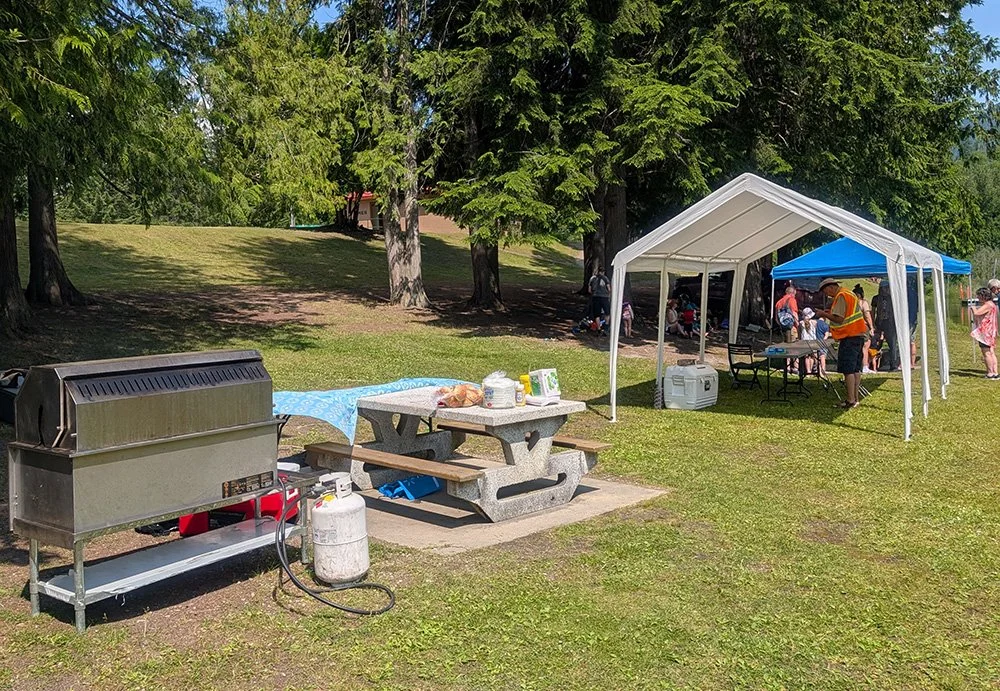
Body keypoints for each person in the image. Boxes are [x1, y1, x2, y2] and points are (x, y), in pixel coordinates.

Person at [814, 277, 868, 408]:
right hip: (859, 334)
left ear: (830, 287)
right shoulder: (850, 293)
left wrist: (823, 314)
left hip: (849, 336)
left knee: (848, 369)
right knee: (856, 369)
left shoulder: (840, 296)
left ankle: (850, 400)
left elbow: (839, 319)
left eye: (826, 292)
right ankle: (855, 398)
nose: (827, 295)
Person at [970, 286, 999, 379]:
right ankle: (995, 372)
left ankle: (990, 373)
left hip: (986, 332)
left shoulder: (988, 305)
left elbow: (977, 313)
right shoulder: (992, 304)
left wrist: (973, 308)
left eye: (978, 296)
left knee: (986, 352)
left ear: (983, 296)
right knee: (991, 352)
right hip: (991, 331)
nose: (978, 298)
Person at [871, 281, 898, 371]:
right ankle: (872, 364)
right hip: (879, 322)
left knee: (892, 344)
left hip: (890, 323)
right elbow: (873, 311)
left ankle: (893, 364)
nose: (886, 290)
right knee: (875, 343)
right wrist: (872, 323)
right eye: (884, 288)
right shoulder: (876, 298)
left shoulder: (893, 298)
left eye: (887, 288)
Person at [853, 284, 876, 374]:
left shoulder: (852, 304)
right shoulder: (863, 303)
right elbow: (867, 316)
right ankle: (865, 366)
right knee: (865, 346)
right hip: (863, 326)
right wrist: (871, 327)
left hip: (853, 327)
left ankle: (858, 365)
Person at [799, 307, 818, 374]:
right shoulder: (814, 322)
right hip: (813, 341)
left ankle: (808, 370)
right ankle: (812, 369)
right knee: (812, 356)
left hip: (804, 341)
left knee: (806, 357)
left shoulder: (801, 323)